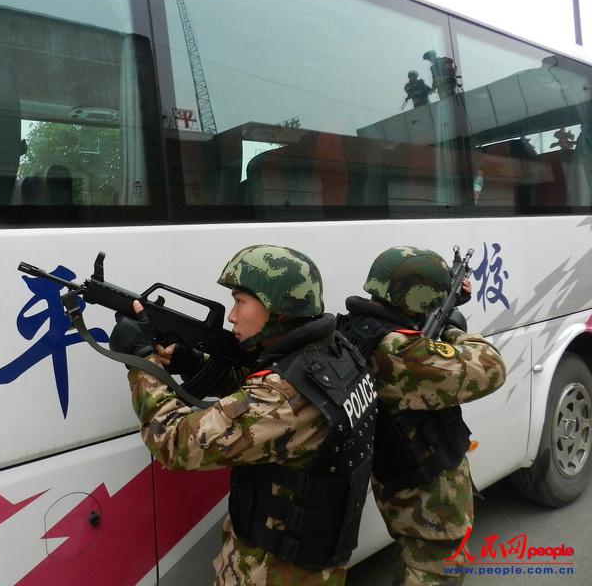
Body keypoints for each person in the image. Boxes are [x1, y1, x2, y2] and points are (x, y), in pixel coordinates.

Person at [109, 244, 377, 586]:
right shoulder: (336, 354)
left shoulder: (281, 400)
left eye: (240, 301)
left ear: (277, 307)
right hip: (311, 564)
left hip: (271, 573)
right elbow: (259, 393)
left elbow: (174, 443)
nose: (232, 316)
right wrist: (191, 362)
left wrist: (141, 360)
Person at [337, 246, 507, 585]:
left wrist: (441, 307)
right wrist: (453, 329)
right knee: (434, 570)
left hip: (399, 476)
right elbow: (492, 368)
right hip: (428, 493)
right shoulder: (402, 352)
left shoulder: (356, 328)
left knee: (414, 562)